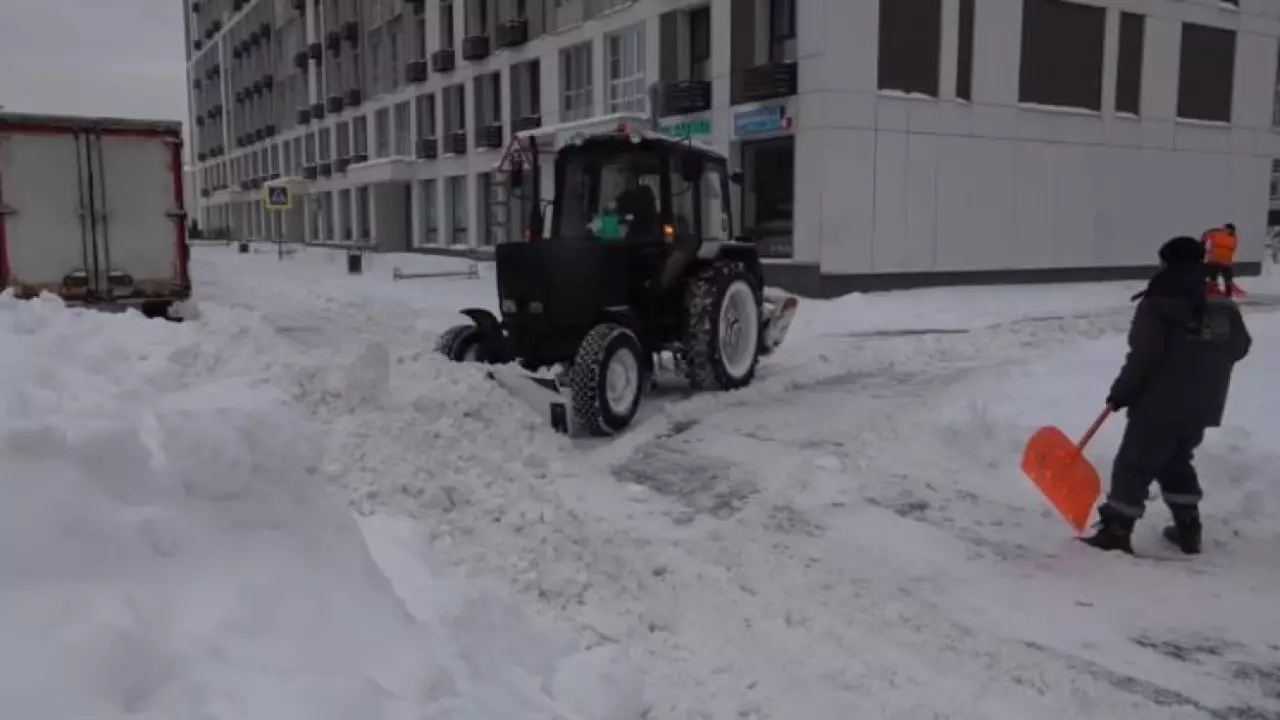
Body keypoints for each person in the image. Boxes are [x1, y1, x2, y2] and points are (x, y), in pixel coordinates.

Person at [1083, 236, 1252, 555]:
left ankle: (1117, 530)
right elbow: (1241, 346)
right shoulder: (1221, 302)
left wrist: (1122, 392)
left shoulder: (1159, 300)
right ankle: (1189, 528)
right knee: (1175, 461)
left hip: (1158, 403)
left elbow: (1144, 355)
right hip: (1203, 404)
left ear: (1169, 263)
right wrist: (1206, 362)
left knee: (1134, 464)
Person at [1201, 223, 1239, 296]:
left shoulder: (1216, 233)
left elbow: (1205, 235)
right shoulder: (1233, 238)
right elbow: (1233, 249)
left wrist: (1204, 246)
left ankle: (1214, 293)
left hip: (1217, 261)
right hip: (1222, 262)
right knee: (1226, 279)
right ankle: (1226, 294)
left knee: (1215, 279)